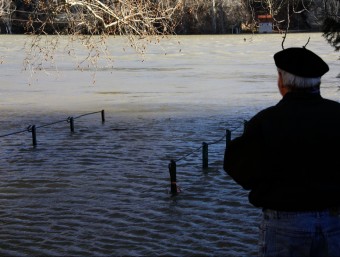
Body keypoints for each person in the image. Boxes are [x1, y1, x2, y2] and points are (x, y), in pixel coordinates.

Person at [223, 47, 340, 257]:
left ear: (281, 81)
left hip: (285, 224)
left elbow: (239, 169)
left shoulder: (266, 121)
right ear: (318, 82)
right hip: (335, 221)